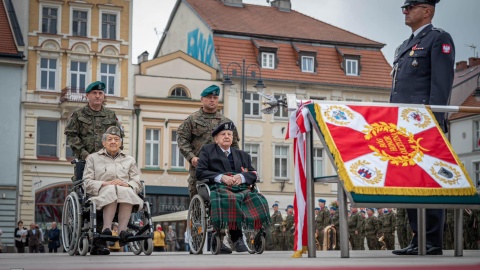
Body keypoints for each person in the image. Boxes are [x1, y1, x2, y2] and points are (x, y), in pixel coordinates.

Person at [391, 0, 455, 256]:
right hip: (403, 125)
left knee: (429, 182)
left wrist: (435, 123)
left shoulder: (439, 39)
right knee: (409, 182)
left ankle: (432, 241)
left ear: (427, 11)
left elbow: (441, 84)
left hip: (424, 125)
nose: (405, 11)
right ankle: (418, 238)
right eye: (404, 7)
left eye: (411, 6)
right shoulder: (403, 46)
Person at [196, 121, 271, 253]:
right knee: (231, 198)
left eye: (229, 134)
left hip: (240, 188)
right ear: (216, 138)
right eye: (223, 134)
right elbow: (200, 172)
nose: (227, 136)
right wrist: (221, 177)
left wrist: (241, 177)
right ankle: (232, 237)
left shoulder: (242, 155)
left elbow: (253, 173)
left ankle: (256, 233)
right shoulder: (207, 151)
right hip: (217, 187)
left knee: (258, 198)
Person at [83, 126, 144, 255]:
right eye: (109, 139)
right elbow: (87, 182)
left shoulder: (129, 160)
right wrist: (105, 183)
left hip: (124, 194)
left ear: (120, 143)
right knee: (111, 189)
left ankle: (122, 231)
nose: (113, 142)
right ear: (104, 142)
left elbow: (137, 182)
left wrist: (126, 184)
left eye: (116, 139)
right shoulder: (93, 158)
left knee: (126, 190)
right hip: (101, 195)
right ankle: (106, 229)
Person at [177, 85, 239, 199]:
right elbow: (182, 139)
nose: (212, 100)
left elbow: (234, 145)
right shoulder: (192, 120)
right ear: (202, 99)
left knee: (227, 199)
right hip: (200, 167)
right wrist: (191, 157)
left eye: (215, 98)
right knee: (197, 199)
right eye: (209, 97)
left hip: (223, 168)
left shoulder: (226, 122)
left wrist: (239, 164)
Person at [65, 81, 124, 181]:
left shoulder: (111, 115)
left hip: (107, 161)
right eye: (94, 93)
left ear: (103, 96)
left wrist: (114, 155)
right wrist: (85, 155)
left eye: (100, 93)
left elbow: (119, 136)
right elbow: (71, 135)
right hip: (85, 161)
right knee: (84, 189)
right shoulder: (78, 114)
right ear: (87, 95)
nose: (97, 96)